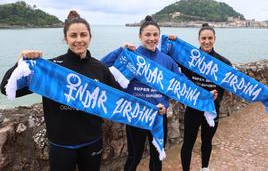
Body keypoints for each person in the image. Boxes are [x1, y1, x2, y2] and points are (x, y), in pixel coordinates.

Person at [0, 10, 119, 171]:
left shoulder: (100, 69)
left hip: (92, 141)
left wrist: (153, 109)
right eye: (73, 35)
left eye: (83, 35)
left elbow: (120, 100)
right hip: (60, 145)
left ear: (90, 37)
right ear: (66, 38)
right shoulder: (51, 69)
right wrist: (20, 63)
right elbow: (6, 89)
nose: (79, 40)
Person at [101, 15, 180, 171]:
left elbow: (180, 84)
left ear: (159, 36)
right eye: (147, 35)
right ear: (140, 36)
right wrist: (119, 51)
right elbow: (101, 67)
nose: (152, 38)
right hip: (136, 115)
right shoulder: (131, 55)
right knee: (134, 157)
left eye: (155, 35)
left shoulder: (167, 60)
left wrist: (205, 94)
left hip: (158, 115)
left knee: (157, 157)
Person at [176, 23, 232, 171]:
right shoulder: (189, 60)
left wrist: (217, 97)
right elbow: (181, 77)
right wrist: (172, 42)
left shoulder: (224, 63)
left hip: (212, 110)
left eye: (210, 38)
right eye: (203, 38)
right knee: (188, 142)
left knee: (207, 142)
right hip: (193, 109)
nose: (207, 41)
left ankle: (205, 168)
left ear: (215, 39)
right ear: (199, 39)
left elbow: (224, 87)